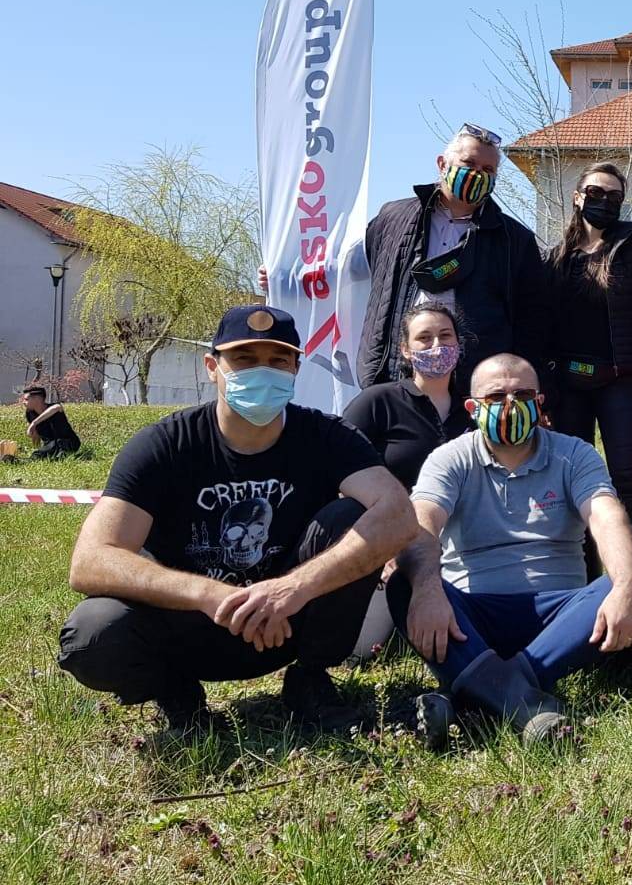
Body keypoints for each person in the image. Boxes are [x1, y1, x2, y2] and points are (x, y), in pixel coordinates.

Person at [56, 306, 417, 733]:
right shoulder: (164, 445)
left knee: (353, 518)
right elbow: (91, 560)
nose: (262, 372)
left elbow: (398, 515)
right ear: (212, 367)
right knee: (92, 633)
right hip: (189, 624)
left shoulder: (326, 436)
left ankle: (310, 680)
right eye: (244, 359)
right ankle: (176, 692)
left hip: (287, 623)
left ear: (296, 369)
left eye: (278, 360)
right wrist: (208, 594)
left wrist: (293, 588)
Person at [386, 353, 632, 747]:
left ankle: (471, 698)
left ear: (539, 402)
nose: (510, 404)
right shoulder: (450, 458)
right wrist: (426, 589)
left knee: (625, 578)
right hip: (469, 620)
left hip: (559, 618)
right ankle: (526, 705)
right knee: (404, 582)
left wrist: (627, 588)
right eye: (495, 396)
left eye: (522, 395)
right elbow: (421, 524)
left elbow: (607, 517)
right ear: (472, 408)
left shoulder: (573, 454)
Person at [355, 122, 554, 388]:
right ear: (442, 164)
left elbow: (531, 318)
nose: (477, 174)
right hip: (397, 371)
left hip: (472, 380)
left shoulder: (515, 240)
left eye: (488, 169)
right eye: (468, 163)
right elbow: (364, 270)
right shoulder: (393, 218)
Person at [342, 300, 475, 658]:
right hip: (388, 540)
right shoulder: (377, 402)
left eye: (445, 336)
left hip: (463, 540)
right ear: (404, 349)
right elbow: (339, 477)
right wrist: (383, 549)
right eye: (424, 338)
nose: (437, 346)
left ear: (459, 344)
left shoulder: (476, 409)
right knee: (362, 651)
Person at [547, 162, 632, 527]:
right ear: (577, 197)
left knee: (628, 478)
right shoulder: (557, 257)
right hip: (569, 384)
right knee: (571, 476)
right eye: (595, 193)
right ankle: (580, 559)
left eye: (614, 196)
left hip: (620, 380)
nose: (604, 201)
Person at [21, 385, 81, 458]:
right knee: (39, 455)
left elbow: (57, 407)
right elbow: (36, 435)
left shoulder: (54, 409)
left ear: (37, 399)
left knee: (56, 454)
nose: (23, 402)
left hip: (67, 442)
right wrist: (36, 447)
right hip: (50, 445)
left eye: (26, 399)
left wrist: (34, 423)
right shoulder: (30, 414)